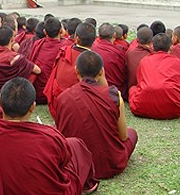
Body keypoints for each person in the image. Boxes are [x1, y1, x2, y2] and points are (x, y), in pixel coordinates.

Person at [54, 51, 137, 179]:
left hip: (76, 164)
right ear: (101, 72)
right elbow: (123, 135)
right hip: (110, 164)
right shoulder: (113, 95)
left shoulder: (63, 98)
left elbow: (62, 134)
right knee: (132, 133)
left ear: (76, 72)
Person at [129, 34, 180, 119]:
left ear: (152, 46)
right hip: (175, 109)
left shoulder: (144, 61)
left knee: (132, 89)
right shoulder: (179, 63)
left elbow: (140, 83)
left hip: (142, 108)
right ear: (171, 47)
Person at [44, 22, 96, 116]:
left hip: (58, 104)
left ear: (76, 38)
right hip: (79, 108)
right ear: (95, 40)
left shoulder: (64, 52)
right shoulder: (93, 60)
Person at [28, 17, 63, 103]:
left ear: (44, 32)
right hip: (52, 94)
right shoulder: (64, 48)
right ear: (61, 31)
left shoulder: (38, 44)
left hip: (35, 93)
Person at [91, 23, 127, 99]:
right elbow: (124, 74)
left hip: (94, 87)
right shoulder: (118, 52)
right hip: (114, 89)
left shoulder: (92, 47)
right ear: (114, 35)